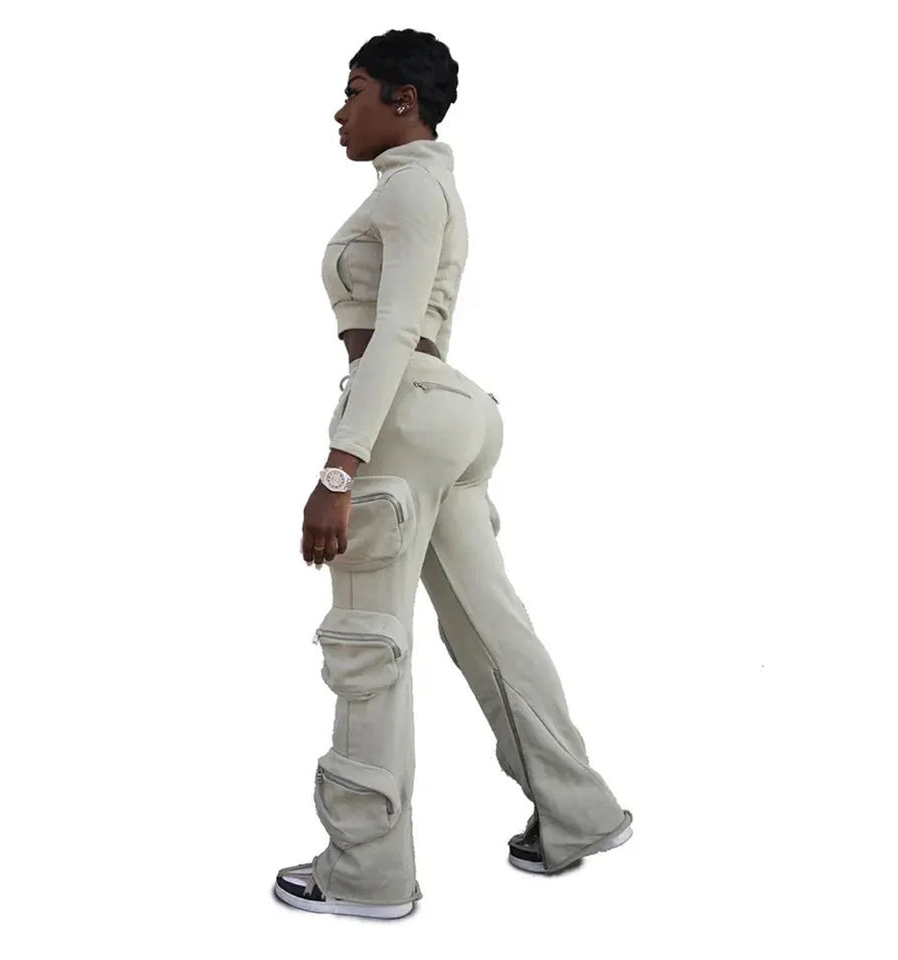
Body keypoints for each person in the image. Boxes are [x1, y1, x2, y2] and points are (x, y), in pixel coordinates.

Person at [273, 28, 633, 920]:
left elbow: (396, 330)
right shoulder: (430, 187)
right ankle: (579, 812)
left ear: (404, 100)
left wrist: (339, 466)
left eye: (355, 90)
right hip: (452, 416)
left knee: (369, 644)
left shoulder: (410, 189)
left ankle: (365, 873)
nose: (339, 111)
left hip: (401, 417)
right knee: (491, 626)